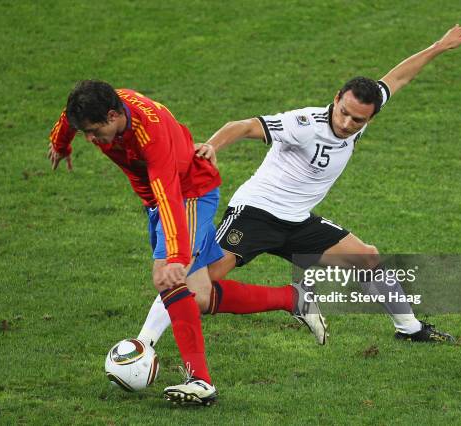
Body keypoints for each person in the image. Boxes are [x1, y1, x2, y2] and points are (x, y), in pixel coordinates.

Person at [136, 23, 461, 347]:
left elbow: (398, 77)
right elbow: (241, 125)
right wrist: (212, 145)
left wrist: (439, 47)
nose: (346, 122)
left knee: (367, 258)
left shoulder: (364, 110)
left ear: (371, 116)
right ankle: (143, 343)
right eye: (343, 111)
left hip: (298, 220)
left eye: (357, 120)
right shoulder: (303, 123)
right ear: (337, 97)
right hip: (256, 213)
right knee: (199, 282)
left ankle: (410, 329)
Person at [47, 81, 325, 406]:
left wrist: (177, 256)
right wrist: (60, 143)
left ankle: (200, 381)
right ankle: (293, 299)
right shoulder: (97, 107)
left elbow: (169, 197)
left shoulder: (151, 137)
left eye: (94, 132)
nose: (91, 140)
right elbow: (68, 119)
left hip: (189, 193)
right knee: (201, 297)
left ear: (113, 114)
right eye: (85, 134)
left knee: (167, 276)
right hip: (160, 198)